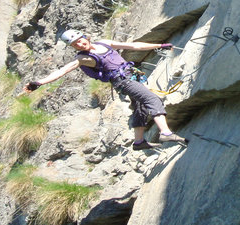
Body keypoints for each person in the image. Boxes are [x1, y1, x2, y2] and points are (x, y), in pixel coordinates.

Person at [24, 29, 187, 150]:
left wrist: (159, 45)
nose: (80, 44)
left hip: (131, 76)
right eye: (75, 44)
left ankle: (139, 142)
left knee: (140, 106)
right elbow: (63, 70)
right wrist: (39, 82)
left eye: (80, 40)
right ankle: (165, 133)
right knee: (152, 99)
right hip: (123, 81)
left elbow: (133, 45)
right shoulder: (83, 58)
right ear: (74, 47)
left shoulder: (104, 43)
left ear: (84, 36)